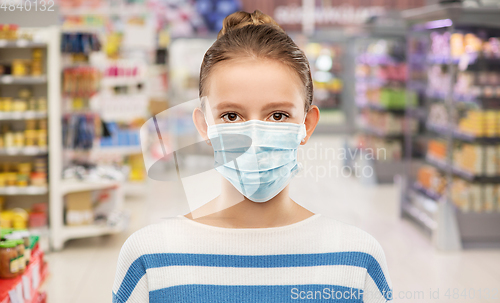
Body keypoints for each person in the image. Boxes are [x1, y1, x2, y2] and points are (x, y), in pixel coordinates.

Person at [113, 10, 392, 303]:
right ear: (203, 125)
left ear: (306, 125)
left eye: (278, 115)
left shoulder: (357, 262)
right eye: (232, 116)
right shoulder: (149, 259)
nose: (255, 136)